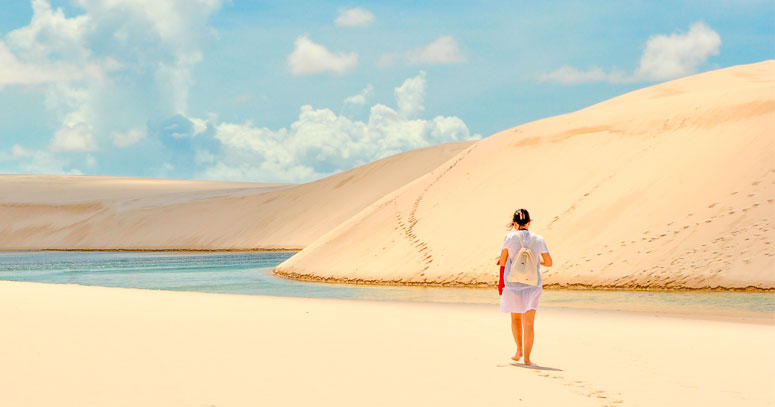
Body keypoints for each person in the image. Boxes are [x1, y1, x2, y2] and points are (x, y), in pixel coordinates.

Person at [497, 208, 552, 366]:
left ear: (515, 223)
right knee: (529, 323)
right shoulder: (539, 239)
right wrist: (536, 262)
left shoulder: (509, 237)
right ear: (529, 222)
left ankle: (518, 350)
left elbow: (502, 261)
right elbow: (549, 263)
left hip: (513, 284)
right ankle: (527, 359)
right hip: (532, 285)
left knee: (515, 318)